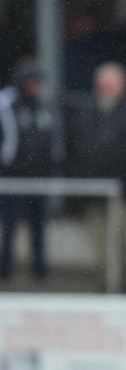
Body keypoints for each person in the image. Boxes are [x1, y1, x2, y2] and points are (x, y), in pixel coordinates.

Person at [69, 62, 126, 291]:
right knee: (103, 240)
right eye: (103, 83)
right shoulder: (85, 111)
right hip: (96, 190)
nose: (106, 88)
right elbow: (76, 149)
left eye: (112, 83)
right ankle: (112, 281)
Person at [0, 60, 61, 280]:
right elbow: (9, 142)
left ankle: (39, 271)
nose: (36, 86)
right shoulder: (7, 103)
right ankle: (5, 270)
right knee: (10, 224)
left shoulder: (43, 105)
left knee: (38, 225)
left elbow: (50, 139)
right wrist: (9, 166)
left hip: (38, 176)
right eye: (33, 81)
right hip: (13, 177)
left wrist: (49, 166)